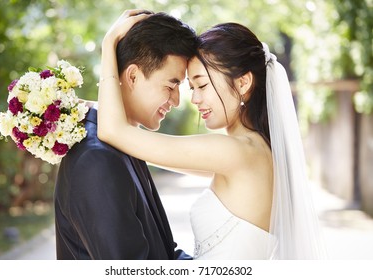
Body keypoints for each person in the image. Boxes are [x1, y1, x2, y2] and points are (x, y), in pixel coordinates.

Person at [97, 10, 327, 259]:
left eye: (202, 85)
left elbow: (114, 131)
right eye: (192, 87)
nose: (195, 99)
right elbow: (139, 146)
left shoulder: (236, 153)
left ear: (242, 83)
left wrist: (109, 44)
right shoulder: (255, 150)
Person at [54, 10, 198, 259]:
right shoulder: (96, 160)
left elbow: (164, 253)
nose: (176, 100)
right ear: (132, 76)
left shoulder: (126, 141)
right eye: (171, 85)